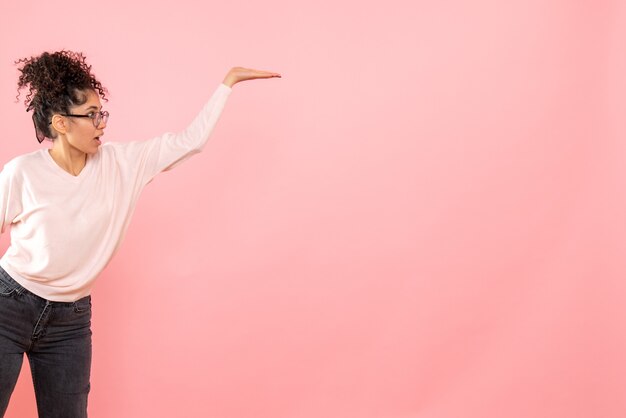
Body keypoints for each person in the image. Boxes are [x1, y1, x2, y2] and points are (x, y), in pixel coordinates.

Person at [0, 50, 281, 417]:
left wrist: (227, 84)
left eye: (103, 113)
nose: (102, 123)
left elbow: (189, 142)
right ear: (61, 124)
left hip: (70, 322)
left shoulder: (123, 163)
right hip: (10, 306)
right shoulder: (22, 172)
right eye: (92, 115)